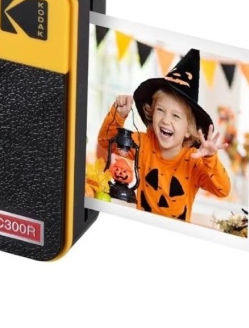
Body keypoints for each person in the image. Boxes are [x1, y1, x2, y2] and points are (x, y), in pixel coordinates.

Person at [98, 49, 231, 222]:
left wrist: (211, 158)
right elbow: (105, 141)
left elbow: (223, 190)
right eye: (160, 110)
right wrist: (118, 115)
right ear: (152, 114)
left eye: (176, 116)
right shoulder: (143, 143)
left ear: (188, 130)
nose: (166, 120)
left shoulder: (194, 161)